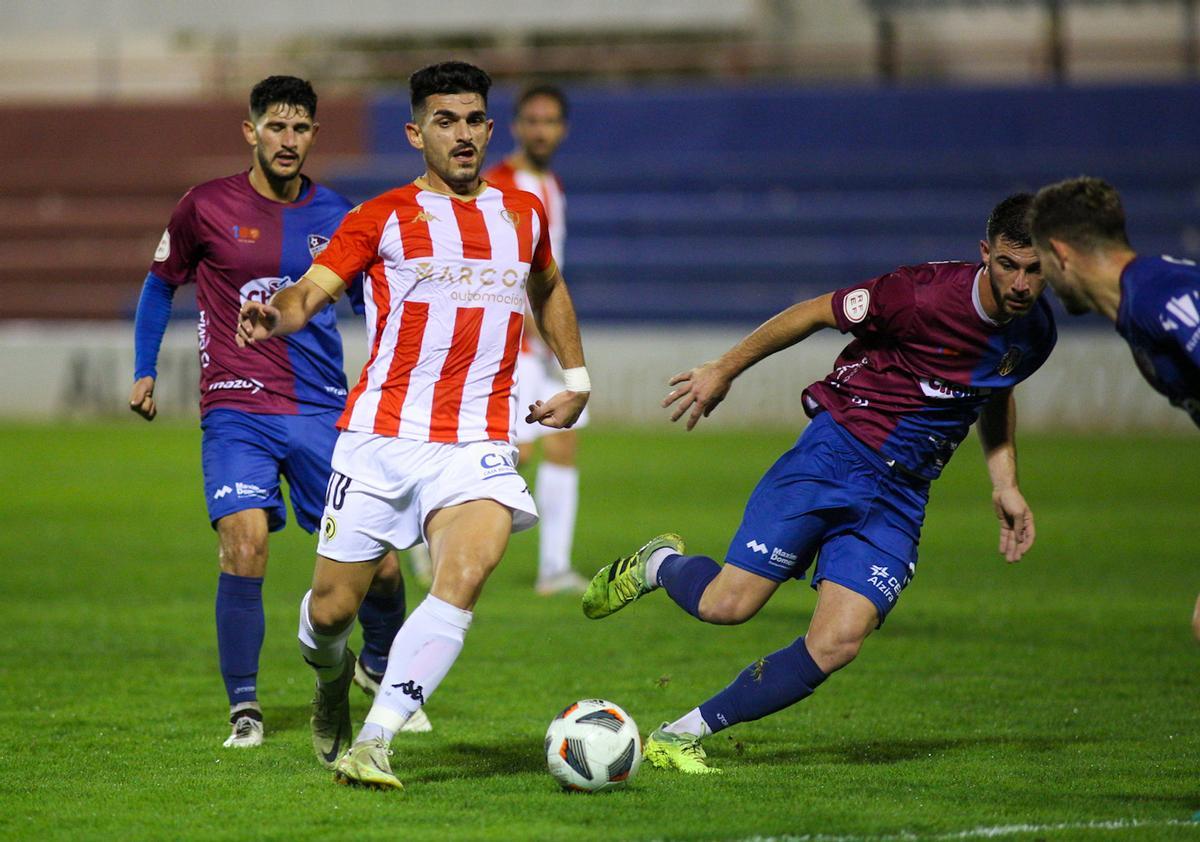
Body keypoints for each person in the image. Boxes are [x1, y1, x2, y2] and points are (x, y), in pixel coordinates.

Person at [582, 194, 1057, 773]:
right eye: (1009, 264)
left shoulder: (1037, 332)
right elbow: (812, 312)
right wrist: (724, 368)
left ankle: (681, 734)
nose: (1021, 283)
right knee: (728, 606)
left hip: (903, 494)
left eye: (1035, 270)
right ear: (985, 253)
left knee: (838, 642)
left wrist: (1004, 482)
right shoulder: (919, 294)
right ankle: (658, 564)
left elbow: (996, 388)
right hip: (836, 456)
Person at [236, 60, 589, 790]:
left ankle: (376, 740)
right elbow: (310, 292)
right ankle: (330, 679)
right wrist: (275, 314)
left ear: (489, 128)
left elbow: (548, 284)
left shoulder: (522, 214)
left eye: (473, 120)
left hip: (477, 441)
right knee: (331, 612)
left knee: (465, 573)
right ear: (415, 133)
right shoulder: (382, 216)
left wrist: (576, 378)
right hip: (380, 440)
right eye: (444, 121)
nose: (462, 135)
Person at [128, 75, 424, 749]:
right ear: (251, 131)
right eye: (275, 126)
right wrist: (145, 369)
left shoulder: (342, 216)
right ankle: (245, 708)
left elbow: (378, 310)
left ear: (314, 135)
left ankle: (378, 666)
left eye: (299, 128)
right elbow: (160, 284)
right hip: (235, 408)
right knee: (244, 544)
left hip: (323, 411)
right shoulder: (204, 206)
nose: (287, 140)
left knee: (380, 567)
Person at [1029, 175, 1200, 640]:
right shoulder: (1139, 303)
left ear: (1060, 254)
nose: (1042, 280)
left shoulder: (1161, 298)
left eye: (1041, 262)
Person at [484, 84, 590, 595]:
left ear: (563, 129)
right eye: (533, 120)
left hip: (545, 342)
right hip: (514, 342)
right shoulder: (498, 185)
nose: (541, 130)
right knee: (512, 454)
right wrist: (527, 319)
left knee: (563, 442)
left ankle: (553, 568)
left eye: (550, 121)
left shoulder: (553, 185)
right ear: (516, 127)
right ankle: (424, 531)